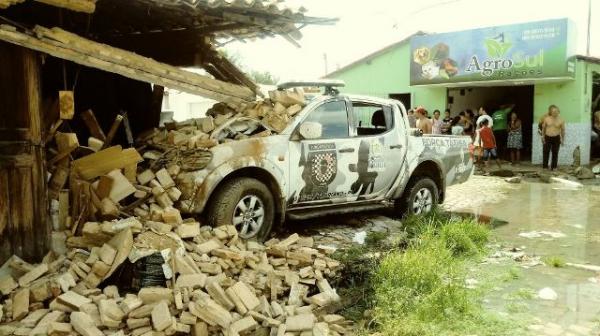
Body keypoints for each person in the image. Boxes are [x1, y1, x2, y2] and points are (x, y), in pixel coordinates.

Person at [541, 105, 566, 170]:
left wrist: (562, 139)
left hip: (556, 138)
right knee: (546, 152)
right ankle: (545, 167)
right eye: (553, 111)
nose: (555, 113)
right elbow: (543, 129)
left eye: (556, 111)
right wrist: (543, 137)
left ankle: (554, 167)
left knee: (555, 153)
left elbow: (563, 130)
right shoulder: (547, 119)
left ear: (558, 112)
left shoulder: (561, 120)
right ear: (551, 112)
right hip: (547, 137)